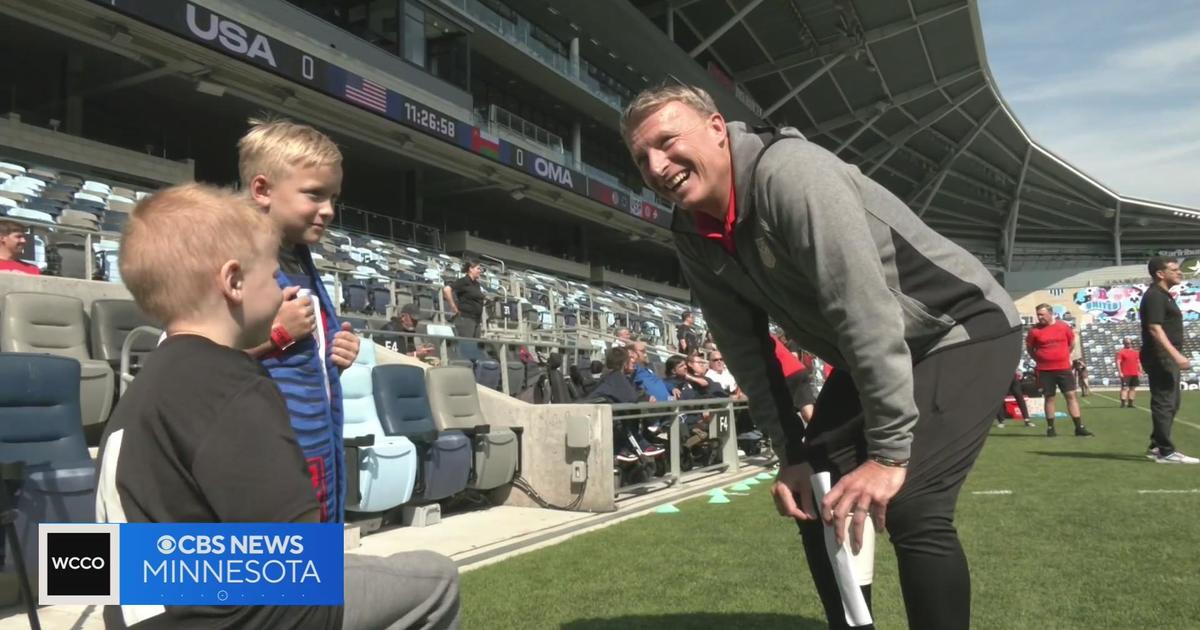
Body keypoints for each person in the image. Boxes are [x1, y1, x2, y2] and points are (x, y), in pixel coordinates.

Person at [622, 83, 1023, 630]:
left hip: (959, 329)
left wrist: (887, 456)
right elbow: (745, 347)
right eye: (642, 156)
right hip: (877, 349)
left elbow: (863, 311)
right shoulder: (691, 232)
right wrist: (791, 451)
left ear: (717, 128)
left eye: (668, 141)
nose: (656, 163)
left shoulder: (791, 174)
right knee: (813, 490)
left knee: (913, 505)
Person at [95, 183, 460, 630]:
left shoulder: (147, 384)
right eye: (272, 278)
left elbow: (78, 564)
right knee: (437, 578)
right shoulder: (232, 387)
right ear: (233, 281)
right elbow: (301, 562)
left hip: (143, 612)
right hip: (229, 618)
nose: (282, 292)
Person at [240, 118, 360, 524]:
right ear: (263, 190)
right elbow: (185, 360)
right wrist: (276, 336)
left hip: (316, 461)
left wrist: (336, 355)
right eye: (314, 195)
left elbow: (302, 356)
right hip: (263, 468)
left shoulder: (300, 259)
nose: (328, 210)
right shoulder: (229, 260)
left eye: (333, 197)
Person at [1140, 257, 1198, 464]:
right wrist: (1175, 355)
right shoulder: (1155, 296)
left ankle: (1156, 446)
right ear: (1160, 274)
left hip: (1163, 356)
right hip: (1160, 356)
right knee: (1165, 402)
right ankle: (1166, 451)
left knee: (1172, 402)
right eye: (1174, 269)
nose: (1179, 272)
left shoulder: (1164, 296)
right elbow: (1154, 328)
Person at [1026, 305, 1093, 438]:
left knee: (1071, 396)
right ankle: (1050, 428)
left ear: (1051, 314)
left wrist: (1064, 356)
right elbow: (1029, 349)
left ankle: (1079, 427)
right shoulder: (1034, 330)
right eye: (1038, 314)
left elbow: (1072, 343)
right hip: (1045, 370)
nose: (1039, 317)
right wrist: (1040, 359)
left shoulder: (1063, 326)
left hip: (1063, 368)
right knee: (1049, 398)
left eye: (1042, 314)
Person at [589, 346, 665, 462]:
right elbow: (631, 398)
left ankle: (636, 442)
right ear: (623, 362)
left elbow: (633, 393)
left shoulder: (619, 376)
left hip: (608, 417)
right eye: (630, 358)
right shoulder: (616, 377)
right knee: (630, 411)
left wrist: (646, 396)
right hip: (597, 418)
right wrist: (646, 398)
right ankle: (631, 445)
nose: (634, 361)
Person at [444, 260, 485, 339]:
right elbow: (447, 289)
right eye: (478, 269)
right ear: (471, 269)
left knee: (476, 347)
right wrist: (453, 307)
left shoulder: (476, 284)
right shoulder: (464, 281)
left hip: (476, 320)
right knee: (467, 345)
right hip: (466, 319)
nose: (480, 271)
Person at [1116, 338, 1142, 409]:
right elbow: (1118, 362)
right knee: (1124, 388)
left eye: (1130, 343)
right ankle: (1123, 403)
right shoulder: (1121, 352)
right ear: (1124, 343)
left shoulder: (1136, 352)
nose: (1129, 344)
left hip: (1134, 373)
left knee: (1133, 388)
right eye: (1127, 343)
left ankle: (1131, 403)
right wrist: (1120, 372)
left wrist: (1140, 371)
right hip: (1125, 373)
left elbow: (1138, 362)